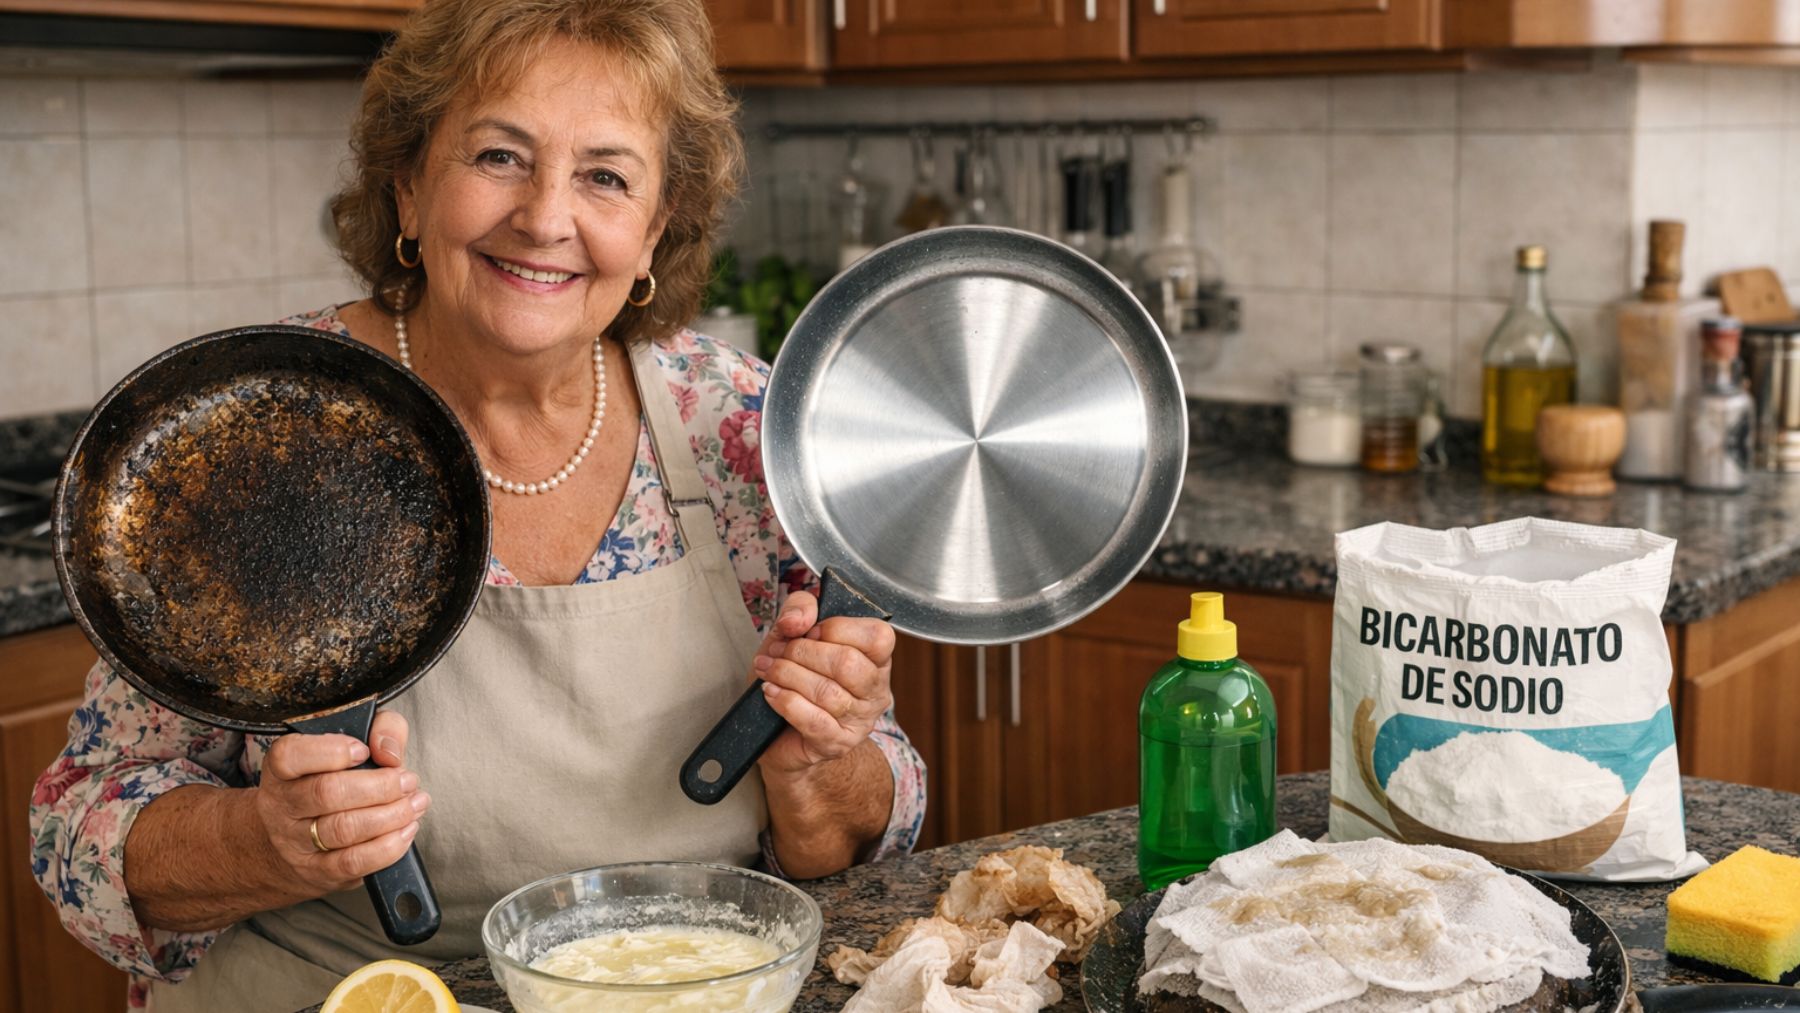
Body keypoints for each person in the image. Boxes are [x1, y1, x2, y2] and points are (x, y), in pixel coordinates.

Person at [28, 1, 925, 1008]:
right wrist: (267, 841)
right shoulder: (261, 423)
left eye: (605, 176)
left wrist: (820, 774)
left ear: (654, 228)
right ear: (409, 188)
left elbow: (867, 813)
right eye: (499, 156)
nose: (546, 217)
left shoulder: (745, 426)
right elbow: (82, 831)